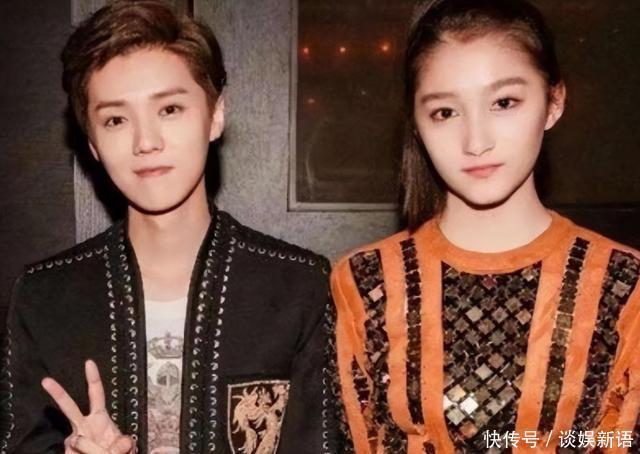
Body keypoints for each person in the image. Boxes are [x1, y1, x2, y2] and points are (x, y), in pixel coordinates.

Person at [0, 1, 338, 453]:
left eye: (170, 109)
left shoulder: (298, 285)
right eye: (116, 119)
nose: (146, 141)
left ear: (215, 115)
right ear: (92, 142)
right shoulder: (45, 297)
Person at [330, 0, 640, 452]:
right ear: (415, 124)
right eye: (445, 112)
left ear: (553, 102)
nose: (476, 142)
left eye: (504, 102)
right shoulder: (365, 282)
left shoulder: (624, 284)